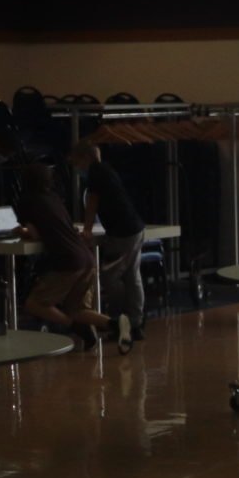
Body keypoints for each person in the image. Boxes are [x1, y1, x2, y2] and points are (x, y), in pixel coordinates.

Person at [12, 162, 111, 350]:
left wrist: (21, 231)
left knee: (34, 303)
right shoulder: (54, 198)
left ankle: (74, 327)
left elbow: (35, 233)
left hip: (68, 261)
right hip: (87, 258)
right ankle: (116, 324)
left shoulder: (27, 201)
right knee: (77, 309)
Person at [68, 139, 145, 352]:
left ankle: (121, 321)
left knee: (110, 277)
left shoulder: (96, 173)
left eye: (76, 161)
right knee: (132, 277)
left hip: (122, 234)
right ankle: (136, 322)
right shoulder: (107, 169)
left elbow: (92, 202)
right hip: (135, 229)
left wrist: (87, 229)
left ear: (85, 158)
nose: (76, 167)